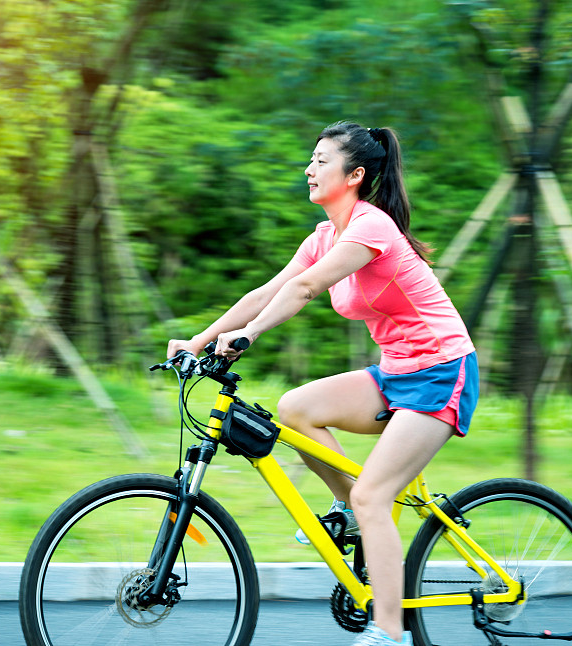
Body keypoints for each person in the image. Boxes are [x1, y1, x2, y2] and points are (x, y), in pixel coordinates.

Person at [167, 120, 478, 646]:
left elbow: (308, 288)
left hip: (441, 372)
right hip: (397, 372)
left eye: (320, 160)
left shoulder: (371, 226)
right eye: (310, 160)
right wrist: (197, 341)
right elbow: (269, 290)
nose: (308, 169)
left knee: (374, 498)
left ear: (354, 175)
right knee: (296, 408)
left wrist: (250, 336)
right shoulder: (325, 234)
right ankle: (351, 512)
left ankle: (387, 631)